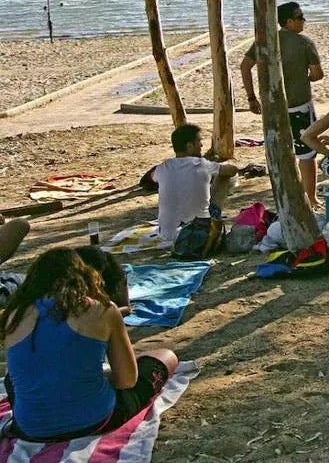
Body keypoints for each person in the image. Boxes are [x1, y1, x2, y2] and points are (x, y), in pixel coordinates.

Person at [1, 248, 179, 443]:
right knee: (166, 356)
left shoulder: (13, 315)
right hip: (94, 419)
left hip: (30, 428)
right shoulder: (102, 309)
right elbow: (127, 380)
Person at [240, 1, 323, 208]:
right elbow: (317, 74)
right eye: (300, 17)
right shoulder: (305, 43)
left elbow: (245, 66)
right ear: (288, 21)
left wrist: (251, 97)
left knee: (282, 153)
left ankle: (287, 197)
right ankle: (310, 198)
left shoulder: (266, 40)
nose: (304, 20)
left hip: (274, 107)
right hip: (299, 106)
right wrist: (306, 77)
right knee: (306, 153)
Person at [154, 124, 239, 243]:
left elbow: (153, 178)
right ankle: (214, 221)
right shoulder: (202, 164)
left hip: (167, 234)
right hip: (198, 233)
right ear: (189, 146)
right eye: (199, 141)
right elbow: (232, 170)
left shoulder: (163, 167)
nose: (201, 145)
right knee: (225, 177)